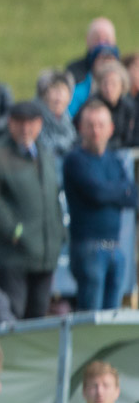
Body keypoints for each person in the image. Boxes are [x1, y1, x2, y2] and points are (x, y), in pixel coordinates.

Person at [0, 100, 65, 320]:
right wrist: (14, 232)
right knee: (12, 317)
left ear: (40, 124)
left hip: (45, 255)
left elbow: (54, 199)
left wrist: (60, 233)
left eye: (31, 123)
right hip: (13, 256)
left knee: (38, 320)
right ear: (10, 124)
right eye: (20, 122)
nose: (26, 128)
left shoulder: (45, 155)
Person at [65, 101, 139, 312]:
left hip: (115, 247)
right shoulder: (75, 160)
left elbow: (133, 196)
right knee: (91, 315)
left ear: (110, 128)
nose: (96, 130)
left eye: (100, 124)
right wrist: (117, 191)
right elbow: (97, 193)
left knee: (112, 314)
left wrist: (110, 191)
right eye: (90, 125)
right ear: (81, 128)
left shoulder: (115, 160)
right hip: (88, 247)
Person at [88, 57, 139, 148]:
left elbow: (131, 137)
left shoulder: (129, 106)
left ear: (122, 86)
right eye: (105, 83)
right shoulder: (91, 106)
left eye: (113, 84)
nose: (109, 88)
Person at [37, 69, 79, 161]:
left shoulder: (66, 118)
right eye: (55, 89)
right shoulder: (35, 118)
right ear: (43, 95)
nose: (59, 95)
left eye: (63, 90)